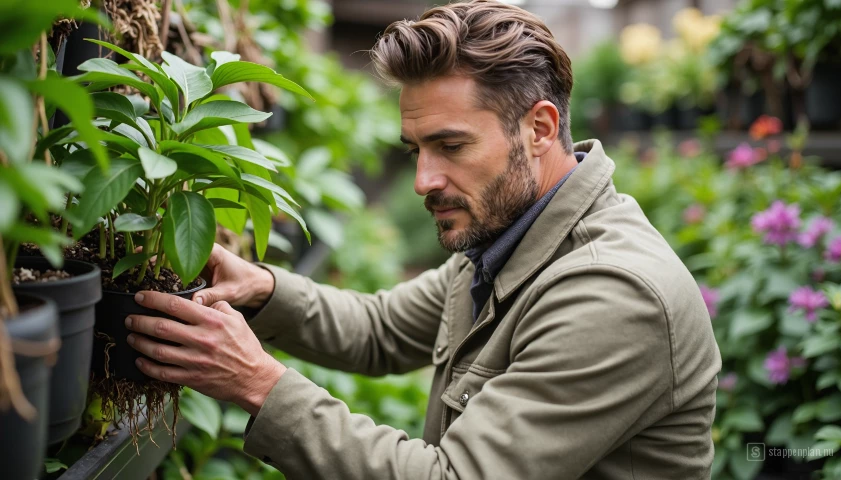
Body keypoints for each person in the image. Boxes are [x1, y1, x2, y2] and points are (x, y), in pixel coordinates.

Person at [124, 1, 721, 478]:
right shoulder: (508, 233)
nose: (423, 181)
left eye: (451, 146)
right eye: (415, 150)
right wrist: (262, 289)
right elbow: (381, 329)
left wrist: (258, 382)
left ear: (539, 128)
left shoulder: (613, 295)